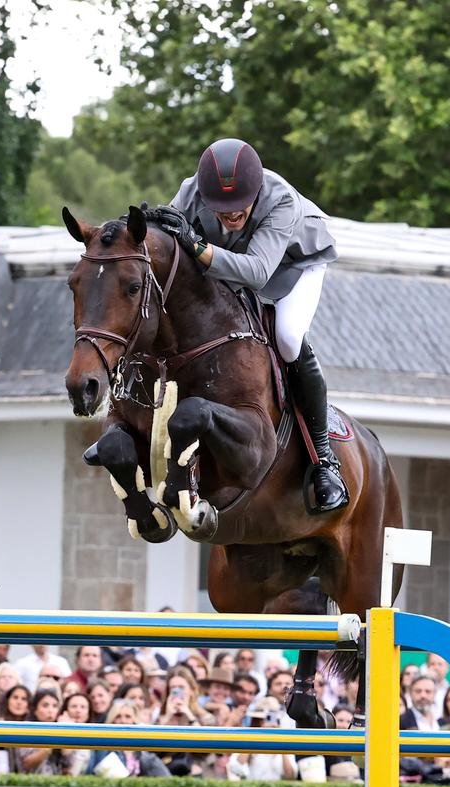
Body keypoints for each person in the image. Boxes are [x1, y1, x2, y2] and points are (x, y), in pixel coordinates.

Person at [143, 137, 346, 513]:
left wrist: (196, 244)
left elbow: (256, 272)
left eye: (239, 206)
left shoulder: (280, 199)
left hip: (293, 266)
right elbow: (170, 241)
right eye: (221, 207)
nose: (230, 214)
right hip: (233, 264)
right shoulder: (192, 192)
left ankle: (324, 460)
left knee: (287, 338)